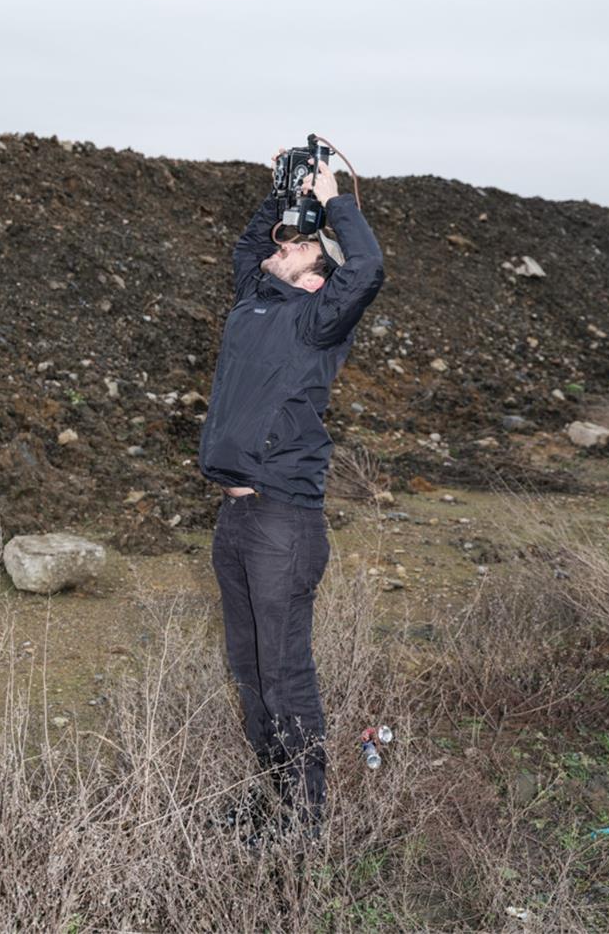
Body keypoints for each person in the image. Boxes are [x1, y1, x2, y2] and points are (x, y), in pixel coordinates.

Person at [198, 148, 384, 836]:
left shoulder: (317, 321)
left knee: (284, 675)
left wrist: (334, 201)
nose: (281, 245)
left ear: (317, 278)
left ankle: (305, 821)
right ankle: (275, 798)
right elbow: (250, 244)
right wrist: (282, 192)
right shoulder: (256, 302)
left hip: (283, 522)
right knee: (248, 673)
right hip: (236, 519)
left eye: (299, 244)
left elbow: (366, 269)